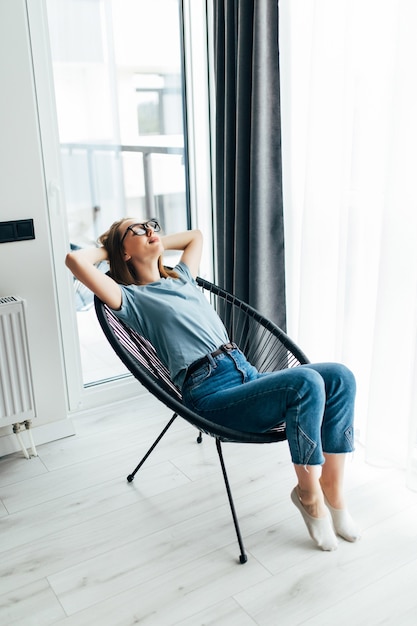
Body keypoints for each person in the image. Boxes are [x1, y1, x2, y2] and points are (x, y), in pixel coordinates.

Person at [65, 217, 361, 551]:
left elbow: (194, 236)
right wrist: (110, 248)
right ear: (124, 253)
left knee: (340, 377)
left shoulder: (182, 277)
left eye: (152, 225)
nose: (151, 231)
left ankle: (332, 489)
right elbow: (75, 261)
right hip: (210, 395)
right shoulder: (129, 299)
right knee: (306, 382)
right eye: (137, 230)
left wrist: (141, 240)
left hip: (246, 373)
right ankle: (309, 496)